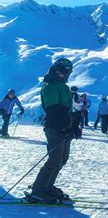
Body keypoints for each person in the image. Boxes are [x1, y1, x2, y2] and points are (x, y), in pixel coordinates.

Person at [29, 58, 79, 204]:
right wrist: (63, 127)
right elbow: (54, 110)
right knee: (54, 160)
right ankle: (38, 191)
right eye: (60, 72)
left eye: (65, 72)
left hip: (64, 128)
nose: (62, 74)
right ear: (54, 70)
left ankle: (47, 186)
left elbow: (68, 110)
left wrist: (73, 126)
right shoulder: (50, 86)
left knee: (62, 160)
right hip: (54, 128)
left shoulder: (64, 86)